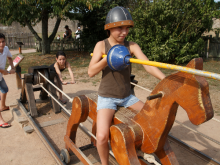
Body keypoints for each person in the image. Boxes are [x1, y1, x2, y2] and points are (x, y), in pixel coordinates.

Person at [88, 6, 166, 165]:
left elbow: (148, 65)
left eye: (127, 28)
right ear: (109, 28)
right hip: (107, 97)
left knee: (152, 117)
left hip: (127, 97)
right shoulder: (101, 45)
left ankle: (142, 149)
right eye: (120, 28)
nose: (124, 32)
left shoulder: (131, 46)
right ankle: (104, 163)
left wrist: (165, 80)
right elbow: (90, 72)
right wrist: (107, 58)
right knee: (102, 136)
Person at [0, 33, 15, 128]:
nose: (1, 44)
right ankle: (1, 121)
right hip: (1, 73)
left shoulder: (5, 49)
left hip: (0, 76)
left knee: (4, 89)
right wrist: (4, 71)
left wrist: (12, 67)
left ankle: (3, 106)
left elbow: (9, 58)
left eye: (3, 41)